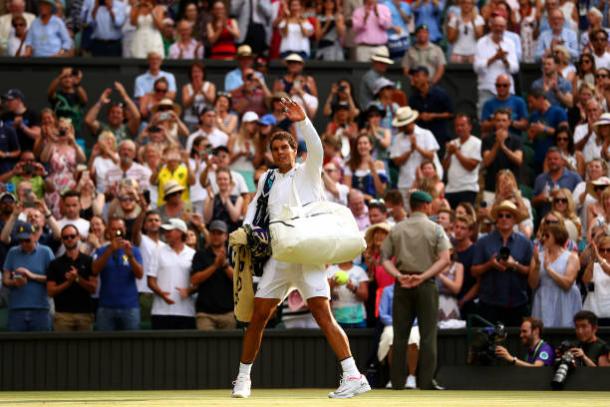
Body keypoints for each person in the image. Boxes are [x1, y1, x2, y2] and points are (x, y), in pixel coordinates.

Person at [231, 99, 371, 399]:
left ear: (295, 151)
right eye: (276, 149)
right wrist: (243, 232)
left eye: (286, 148)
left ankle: (353, 375)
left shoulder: (309, 172)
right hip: (279, 257)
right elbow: (254, 211)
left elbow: (317, 149)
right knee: (259, 316)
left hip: (308, 254)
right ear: (271, 154)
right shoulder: (266, 179)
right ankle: (243, 379)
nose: (281, 152)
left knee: (323, 314)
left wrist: (303, 120)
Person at [381, 190, 451, 390]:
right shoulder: (436, 229)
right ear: (427, 206)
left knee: (400, 335)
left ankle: (397, 382)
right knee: (428, 335)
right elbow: (445, 259)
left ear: (412, 206)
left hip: (402, 284)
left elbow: (384, 259)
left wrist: (398, 275)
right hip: (426, 285)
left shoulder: (397, 229)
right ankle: (426, 381)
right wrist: (423, 276)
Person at [471, 200, 534, 327]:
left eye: (508, 216)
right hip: (489, 304)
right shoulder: (484, 242)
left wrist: (514, 265)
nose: (504, 219)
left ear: (514, 219)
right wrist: (490, 264)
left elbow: (531, 272)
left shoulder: (525, 243)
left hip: (517, 304)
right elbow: (473, 271)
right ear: (496, 219)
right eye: (500, 215)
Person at [92, 217, 143, 331]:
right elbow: (94, 270)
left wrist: (130, 256)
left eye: (119, 229)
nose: (117, 232)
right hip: (106, 307)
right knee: (104, 346)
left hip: (130, 307)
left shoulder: (134, 250)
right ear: (108, 231)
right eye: (113, 229)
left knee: (132, 345)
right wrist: (110, 250)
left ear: (124, 230)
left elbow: (139, 275)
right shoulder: (101, 251)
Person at [2, 223, 54, 331]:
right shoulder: (13, 252)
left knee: (42, 346)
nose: (24, 244)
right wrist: (14, 283)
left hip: (40, 309)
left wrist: (31, 276)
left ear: (35, 236)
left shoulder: (46, 251)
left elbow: (54, 279)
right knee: (14, 346)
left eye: (27, 240)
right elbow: (5, 280)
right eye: (21, 241)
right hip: (17, 309)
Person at [146, 218, 196, 329]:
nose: (166, 234)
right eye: (165, 231)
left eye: (170, 231)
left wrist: (189, 290)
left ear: (180, 232)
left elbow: (198, 281)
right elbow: (150, 280)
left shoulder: (193, 254)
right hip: (160, 312)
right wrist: (161, 294)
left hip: (186, 312)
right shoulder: (157, 251)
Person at [529, 223, 582, 327]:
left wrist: (549, 270)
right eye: (543, 235)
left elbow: (567, 284)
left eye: (547, 235)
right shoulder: (537, 257)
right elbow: (532, 284)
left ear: (558, 236)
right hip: (544, 298)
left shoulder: (572, 257)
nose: (543, 238)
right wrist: (537, 266)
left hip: (565, 299)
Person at [46, 224, 96, 331]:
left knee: (86, 347)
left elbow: (93, 288)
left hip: (84, 314)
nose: (69, 239)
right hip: (62, 314)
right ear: (62, 240)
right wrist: (68, 283)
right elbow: (50, 292)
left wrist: (77, 278)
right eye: (65, 237)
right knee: (62, 348)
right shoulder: (55, 264)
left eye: (72, 236)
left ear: (78, 237)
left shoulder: (88, 261)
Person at [190, 220, 235, 330]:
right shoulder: (200, 255)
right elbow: (194, 280)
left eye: (219, 233)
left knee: (228, 347)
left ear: (226, 236)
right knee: (206, 347)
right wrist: (214, 266)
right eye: (213, 233)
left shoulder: (234, 255)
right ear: (209, 235)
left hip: (228, 313)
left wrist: (224, 265)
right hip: (205, 314)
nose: (216, 236)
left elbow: (240, 281)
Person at [390, 106, 440, 202]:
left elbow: (431, 156)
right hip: (405, 182)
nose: (402, 127)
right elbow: (396, 161)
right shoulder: (397, 138)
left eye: (405, 125)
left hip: (425, 183)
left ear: (411, 122)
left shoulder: (426, 134)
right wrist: (410, 151)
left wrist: (417, 147)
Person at [473, 16, 519, 117]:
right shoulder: (481, 43)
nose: (499, 29)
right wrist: (494, 58)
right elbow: (476, 68)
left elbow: (515, 68)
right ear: (491, 26)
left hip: (507, 91)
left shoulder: (510, 43)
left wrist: (504, 60)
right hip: (487, 89)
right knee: (485, 122)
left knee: (508, 121)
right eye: (496, 26)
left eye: (501, 26)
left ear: (505, 27)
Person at [408, 66, 454, 153]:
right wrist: (420, 116)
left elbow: (451, 113)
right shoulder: (413, 98)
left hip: (439, 135)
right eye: (413, 76)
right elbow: (410, 117)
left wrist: (434, 115)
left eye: (417, 76)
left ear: (426, 77)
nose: (415, 79)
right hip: (421, 138)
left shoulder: (440, 94)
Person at [481, 109, 523, 196]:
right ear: (494, 122)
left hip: (512, 189)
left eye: (504, 120)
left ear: (509, 122)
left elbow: (518, 160)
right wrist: (497, 143)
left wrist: (503, 146)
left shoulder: (517, 140)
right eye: (498, 120)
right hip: (491, 188)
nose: (501, 123)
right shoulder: (487, 140)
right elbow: (486, 162)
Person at [443, 114, 481, 208]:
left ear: (470, 127)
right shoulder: (453, 143)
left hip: (467, 189)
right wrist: (449, 154)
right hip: (450, 189)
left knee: (465, 219)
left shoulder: (477, 143)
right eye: (457, 125)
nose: (459, 128)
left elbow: (471, 166)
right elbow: (444, 167)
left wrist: (456, 152)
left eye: (462, 125)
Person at [532, 147, 582, 219]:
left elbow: (581, 200)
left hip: (568, 220)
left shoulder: (574, 177)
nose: (552, 161)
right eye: (549, 159)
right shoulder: (540, 179)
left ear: (562, 161)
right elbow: (532, 203)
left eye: (555, 159)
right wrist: (541, 197)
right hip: (546, 221)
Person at [327, 260, 369, 328]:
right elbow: (324, 296)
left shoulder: (359, 270)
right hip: (336, 318)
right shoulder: (330, 270)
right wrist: (332, 285)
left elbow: (365, 296)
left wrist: (353, 288)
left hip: (358, 318)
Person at [0, 89, 40, 154]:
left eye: (10, 100)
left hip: (27, 153)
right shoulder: (5, 116)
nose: (7, 103)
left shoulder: (31, 114)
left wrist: (22, 126)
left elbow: (37, 135)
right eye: (7, 101)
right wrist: (13, 126)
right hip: (10, 153)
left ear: (18, 100)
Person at [181, 63, 216, 131]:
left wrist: (202, 91)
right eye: (194, 72)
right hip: (190, 121)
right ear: (191, 74)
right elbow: (185, 104)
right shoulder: (186, 87)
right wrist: (195, 93)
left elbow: (212, 101)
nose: (197, 74)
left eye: (199, 71)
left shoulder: (210, 86)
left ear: (203, 73)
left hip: (205, 121)